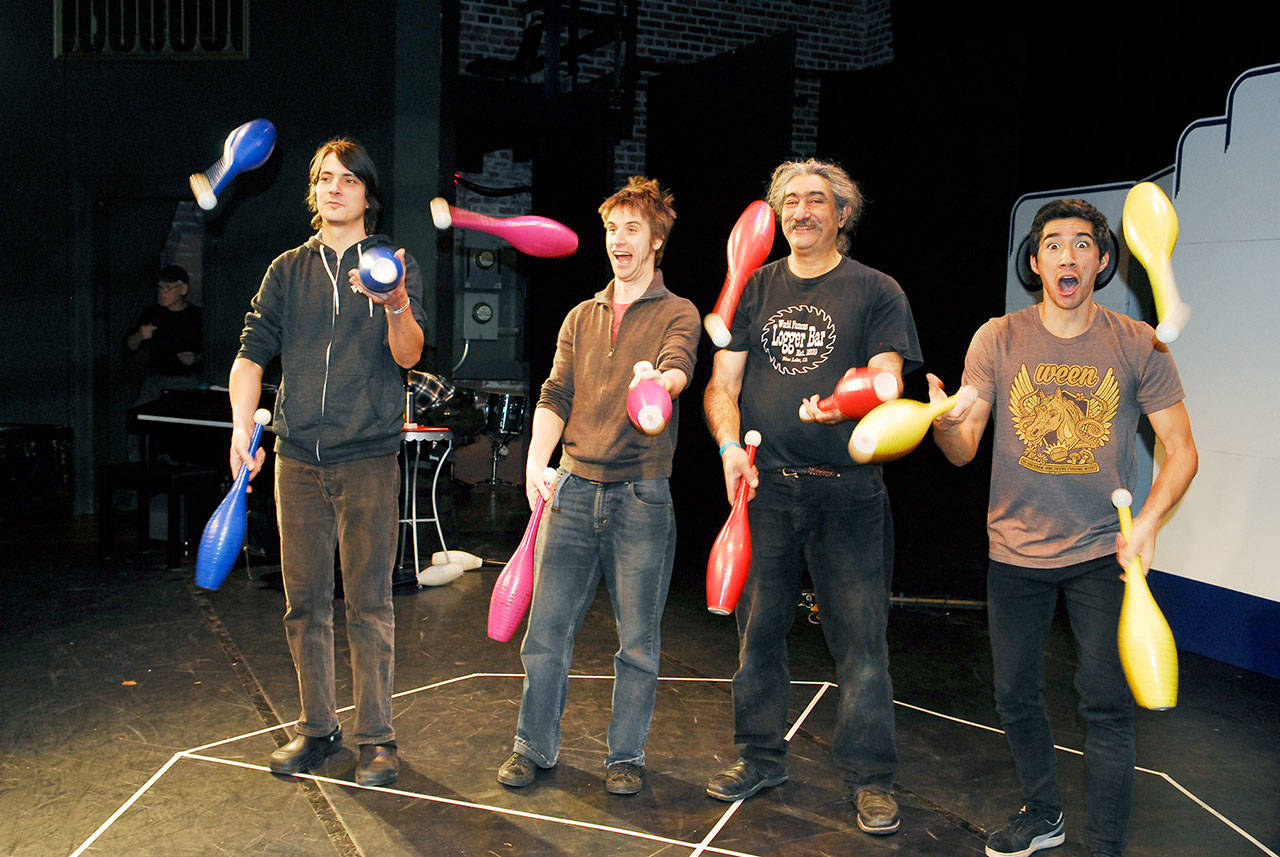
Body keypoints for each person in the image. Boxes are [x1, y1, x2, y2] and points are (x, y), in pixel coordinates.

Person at [928, 198, 1197, 857]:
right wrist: (939, 422)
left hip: (1102, 549)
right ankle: (1042, 813)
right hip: (1015, 548)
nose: (1067, 255)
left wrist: (1151, 523)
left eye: (1082, 243)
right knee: (1016, 694)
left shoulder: (1139, 343)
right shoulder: (998, 338)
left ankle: (1104, 844)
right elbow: (964, 449)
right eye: (1053, 244)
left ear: (1103, 260)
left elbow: (1182, 449)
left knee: (1105, 703)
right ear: (1036, 260)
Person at [702, 159, 922, 835]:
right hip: (766, 490)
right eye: (790, 201)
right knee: (758, 635)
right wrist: (729, 446)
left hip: (849, 494)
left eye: (817, 201)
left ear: (841, 214)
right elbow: (721, 386)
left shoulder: (876, 290)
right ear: (776, 215)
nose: (802, 211)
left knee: (860, 642)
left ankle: (871, 779)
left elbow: (887, 378)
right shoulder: (753, 287)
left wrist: (847, 401)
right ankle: (760, 756)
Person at [228, 138, 425, 787]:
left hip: (367, 456)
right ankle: (318, 729)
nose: (333, 188)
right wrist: (239, 427)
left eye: (346, 179)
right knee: (303, 604)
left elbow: (407, 354)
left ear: (368, 192)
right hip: (295, 461)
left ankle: (378, 740)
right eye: (323, 179)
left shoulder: (394, 263)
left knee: (368, 604)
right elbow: (251, 355)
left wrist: (393, 300)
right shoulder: (287, 269)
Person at [496, 176, 699, 796]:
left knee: (637, 642)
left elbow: (677, 371)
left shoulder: (678, 312)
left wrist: (654, 384)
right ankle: (533, 747)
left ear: (656, 240)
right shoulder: (581, 316)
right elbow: (556, 395)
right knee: (546, 634)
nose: (618, 240)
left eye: (632, 229)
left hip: (641, 496)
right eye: (612, 229)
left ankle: (626, 758)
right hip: (574, 490)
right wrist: (536, 460)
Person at [125, 264, 204, 404]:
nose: (163, 293)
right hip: (156, 381)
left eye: (168, 288)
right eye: (160, 288)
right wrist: (140, 335)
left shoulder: (197, 317)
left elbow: (211, 355)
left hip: (187, 381)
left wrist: (195, 358)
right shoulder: (152, 313)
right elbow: (128, 346)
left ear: (183, 289)